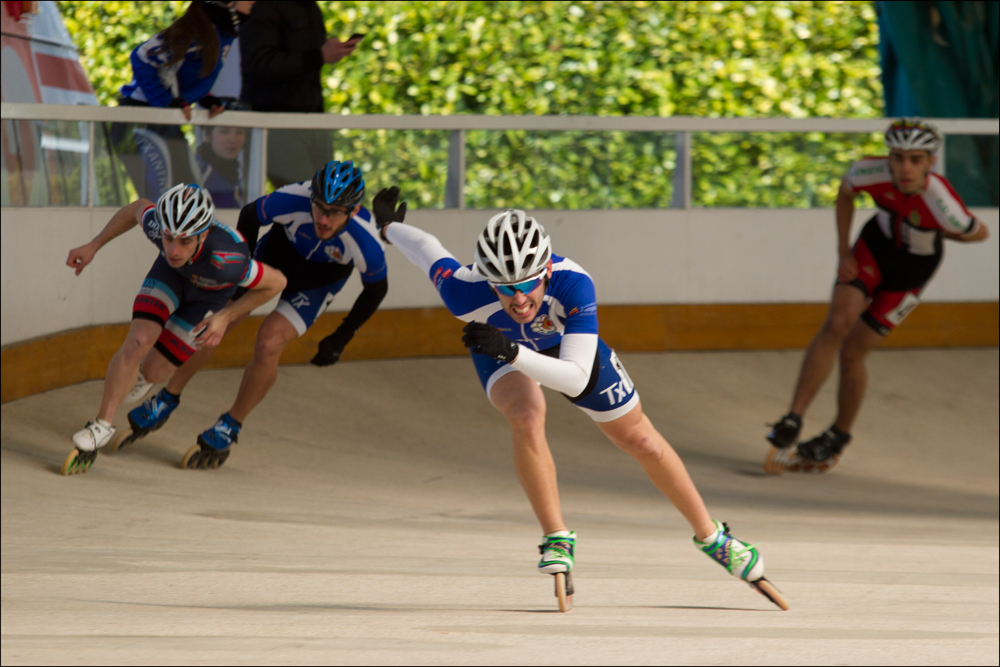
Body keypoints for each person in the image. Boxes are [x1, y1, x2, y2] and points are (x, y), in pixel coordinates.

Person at [371, 189, 788, 610]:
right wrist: (389, 228)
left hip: (553, 349)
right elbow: (427, 250)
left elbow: (574, 377)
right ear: (487, 279)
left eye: (528, 284)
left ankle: (713, 537)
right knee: (526, 415)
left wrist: (512, 351)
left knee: (640, 440)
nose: (518, 299)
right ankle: (556, 538)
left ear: (546, 270)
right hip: (499, 346)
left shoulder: (574, 284)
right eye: (505, 287)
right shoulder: (465, 293)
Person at [121, 161, 388, 465]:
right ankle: (168, 397)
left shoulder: (367, 242)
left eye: (336, 212)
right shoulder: (293, 198)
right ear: (311, 198)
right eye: (320, 207)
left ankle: (230, 424)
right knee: (215, 324)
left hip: (315, 285)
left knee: (269, 344)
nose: (324, 220)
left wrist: (341, 337)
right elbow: (250, 213)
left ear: (353, 211)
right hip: (273, 257)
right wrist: (238, 265)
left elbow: (376, 290)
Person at [764, 118, 990, 475]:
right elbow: (844, 193)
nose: (904, 168)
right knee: (836, 323)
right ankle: (793, 417)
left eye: (916, 159)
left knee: (854, 350)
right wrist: (843, 252)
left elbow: (979, 233)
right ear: (888, 157)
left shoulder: (943, 202)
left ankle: (838, 435)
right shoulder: (868, 171)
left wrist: (943, 231)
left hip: (911, 273)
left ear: (931, 162)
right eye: (898, 157)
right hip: (873, 249)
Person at [61, 183, 286, 475]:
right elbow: (135, 207)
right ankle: (102, 424)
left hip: (209, 297)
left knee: (155, 372)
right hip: (171, 277)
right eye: (168, 238)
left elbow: (277, 283)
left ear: (203, 235)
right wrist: (93, 245)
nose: (174, 249)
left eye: (185, 241)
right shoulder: (159, 227)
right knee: (139, 340)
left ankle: (143, 375)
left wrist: (225, 317)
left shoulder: (228, 259)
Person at [117, 1, 254, 199]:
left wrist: (203, 98)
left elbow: (182, 76)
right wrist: (166, 102)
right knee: (169, 200)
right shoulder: (195, 33)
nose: (254, 2)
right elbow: (140, 57)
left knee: (186, 194)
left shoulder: (220, 33)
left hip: (156, 120)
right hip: (138, 119)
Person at [238, 1, 362, 186]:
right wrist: (318, 56)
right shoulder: (265, 7)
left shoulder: (311, 8)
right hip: (277, 126)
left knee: (327, 195)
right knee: (303, 199)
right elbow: (260, 64)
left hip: (314, 123)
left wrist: (328, 53)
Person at [195, 125, 247, 208]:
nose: (233, 140)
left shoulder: (239, 172)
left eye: (239, 132)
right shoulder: (197, 170)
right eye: (224, 132)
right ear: (208, 136)